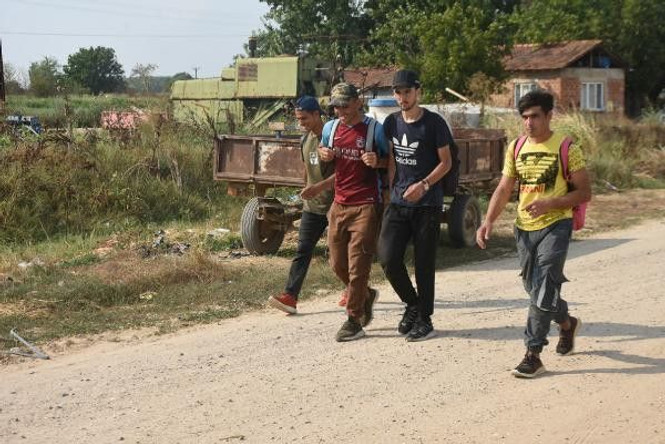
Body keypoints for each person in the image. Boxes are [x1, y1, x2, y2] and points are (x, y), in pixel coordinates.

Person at [476, 90, 591, 378]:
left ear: (549, 116)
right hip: (524, 229)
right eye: (525, 117)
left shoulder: (567, 147)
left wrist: (552, 202)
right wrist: (488, 221)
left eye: (535, 116)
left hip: (557, 225)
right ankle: (566, 324)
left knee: (543, 287)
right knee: (535, 289)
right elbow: (504, 188)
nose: (529, 123)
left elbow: (584, 192)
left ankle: (533, 353)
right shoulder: (516, 147)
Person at [377, 69, 453, 342]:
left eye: (407, 91)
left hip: (427, 204)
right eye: (398, 92)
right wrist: (389, 191)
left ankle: (425, 319)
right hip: (398, 202)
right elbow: (392, 161)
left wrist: (424, 185)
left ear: (417, 92)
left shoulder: (434, 123)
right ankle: (412, 304)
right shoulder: (391, 123)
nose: (402, 97)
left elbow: (446, 163)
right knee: (388, 258)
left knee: (423, 264)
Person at [314, 82, 389, 342]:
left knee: (358, 265)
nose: (341, 111)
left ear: (358, 102)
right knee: (336, 263)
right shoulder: (330, 128)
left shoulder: (374, 130)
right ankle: (365, 294)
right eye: (336, 106)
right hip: (339, 203)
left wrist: (377, 161)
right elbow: (324, 152)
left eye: (345, 105)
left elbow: (393, 161)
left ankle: (354, 319)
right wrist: (323, 154)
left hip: (367, 204)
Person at [268, 96, 334, 314]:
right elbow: (307, 168)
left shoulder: (333, 137)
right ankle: (290, 297)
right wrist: (304, 190)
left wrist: (318, 188)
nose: (301, 123)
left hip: (337, 205)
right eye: (298, 119)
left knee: (340, 255)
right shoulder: (304, 140)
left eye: (304, 118)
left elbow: (344, 175)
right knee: (303, 250)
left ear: (317, 114)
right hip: (312, 207)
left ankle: (358, 290)